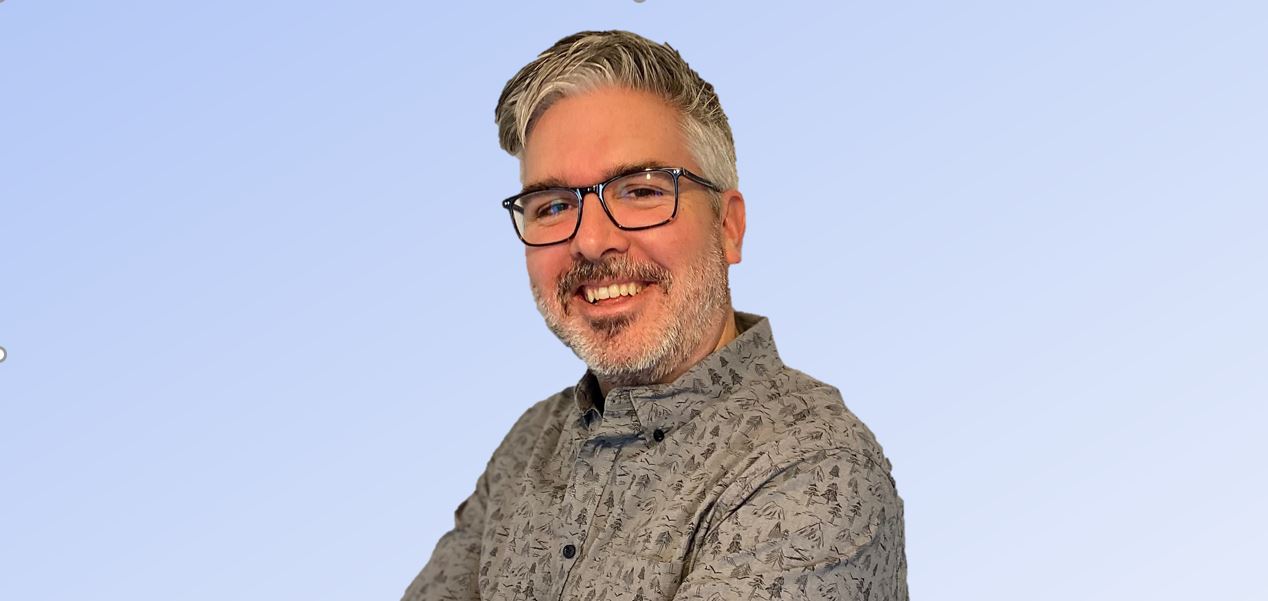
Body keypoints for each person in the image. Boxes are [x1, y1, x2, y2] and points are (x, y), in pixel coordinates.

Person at [403, 30, 907, 601]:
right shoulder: (528, 444)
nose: (591, 241)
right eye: (553, 206)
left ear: (728, 226)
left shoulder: (815, 466)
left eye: (640, 191)